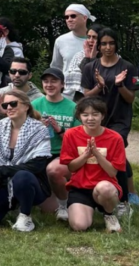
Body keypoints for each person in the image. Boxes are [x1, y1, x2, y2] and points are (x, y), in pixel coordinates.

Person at [0, 89, 52, 231]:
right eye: (5, 105)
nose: (9, 108)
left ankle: (25, 215)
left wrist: (3, 171)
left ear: (26, 106)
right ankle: (11, 205)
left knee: (22, 176)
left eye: (13, 104)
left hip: (31, 185)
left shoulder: (39, 129)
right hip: (3, 185)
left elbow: (37, 165)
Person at [79, 28, 137, 211]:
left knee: (115, 151)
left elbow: (130, 99)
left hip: (119, 118)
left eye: (111, 43)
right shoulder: (90, 67)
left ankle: (124, 201)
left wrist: (119, 85)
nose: (107, 47)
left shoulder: (127, 67)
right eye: (103, 43)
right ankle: (106, 192)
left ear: (116, 44)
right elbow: (86, 97)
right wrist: (99, 86)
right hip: (95, 119)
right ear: (99, 46)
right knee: (105, 155)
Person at [60, 98, 126, 233]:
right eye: (85, 115)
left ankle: (108, 214)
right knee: (79, 226)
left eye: (95, 114)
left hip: (105, 185)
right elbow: (71, 168)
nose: (90, 118)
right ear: (79, 117)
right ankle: (85, 209)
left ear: (102, 116)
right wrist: (85, 155)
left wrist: (97, 154)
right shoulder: (71, 134)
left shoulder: (115, 138)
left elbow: (113, 173)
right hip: (80, 187)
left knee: (105, 188)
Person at [31, 68, 80, 221]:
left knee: (53, 170)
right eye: (46, 81)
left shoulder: (73, 107)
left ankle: (65, 204)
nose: (49, 85)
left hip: (63, 154)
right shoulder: (34, 105)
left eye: (54, 81)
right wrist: (39, 128)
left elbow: (78, 140)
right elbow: (24, 135)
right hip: (40, 153)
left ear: (62, 84)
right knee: (48, 210)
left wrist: (59, 130)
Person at [0, 57, 42, 122]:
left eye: (22, 72)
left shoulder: (39, 98)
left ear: (30, 75)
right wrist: (2, 114)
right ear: (9, 73)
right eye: (13, 71)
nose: (17, 75)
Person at [65, 23, 102, 100]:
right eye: (88, 37)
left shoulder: (109, 56)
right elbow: (76, 77)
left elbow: (98, 77)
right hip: (81, 98)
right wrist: (87, 58)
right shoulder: (79, 55)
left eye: (94, 37)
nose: (91, 40)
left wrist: (93, 59)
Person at [51, 4, 94, 71]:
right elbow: (56, 68)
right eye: (66, 17)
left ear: (84, 18)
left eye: (73, 16)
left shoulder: (97, 40)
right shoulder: (60, 41)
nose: (69, 19)